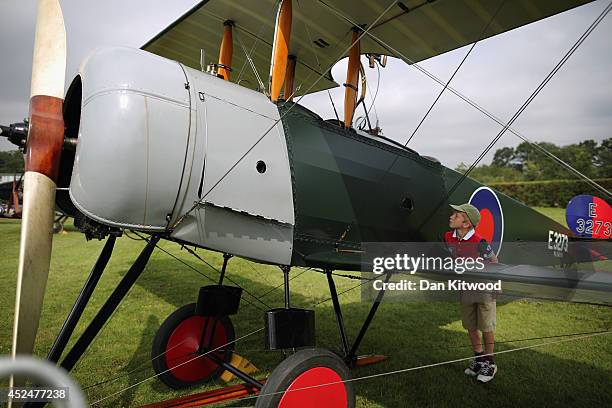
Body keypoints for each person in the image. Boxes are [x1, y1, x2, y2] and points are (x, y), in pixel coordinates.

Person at [444, 203, 499, 383]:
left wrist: (497, 284)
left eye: (456, 215)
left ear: (466, 223)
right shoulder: (448, 237)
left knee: (486, 326)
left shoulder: (479, 242)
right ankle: (478, 357)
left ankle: (490, 363)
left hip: (483, 286)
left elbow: (494, 262)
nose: (451, 217)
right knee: (470, 325)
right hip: (465, 286)